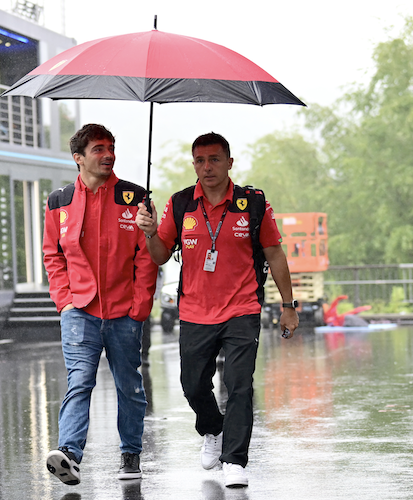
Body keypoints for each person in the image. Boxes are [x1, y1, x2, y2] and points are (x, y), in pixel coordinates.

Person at [135, 132, 299, 488]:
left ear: (229, 162)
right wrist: (148, 232)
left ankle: (235, 460)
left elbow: (275, 254)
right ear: (193, 164)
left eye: (214, 159)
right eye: (200, 160)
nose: (206, 167)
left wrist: (288, 305)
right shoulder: (181, 204)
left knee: (240, 385)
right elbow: (161, 254)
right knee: (192, 386)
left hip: (242, 308)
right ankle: (213, 428)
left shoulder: (253, 204)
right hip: (195, 310)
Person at [42, 124, 159, 486]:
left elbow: (146, 257)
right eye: (98, 149)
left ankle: (130, 454)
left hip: (125, 311)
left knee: (129, 384)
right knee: (79, 380)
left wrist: (140, 306)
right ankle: (70, 456)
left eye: (111, 147)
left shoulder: (135, 198)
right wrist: (64, 300)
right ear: (78, 158)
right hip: (79, 310)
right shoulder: (58, 201)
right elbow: (53, 255)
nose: (107, 154)